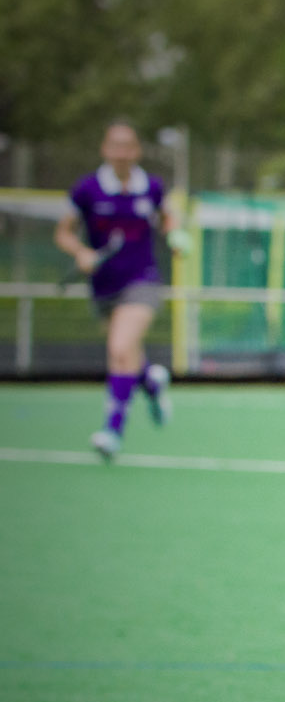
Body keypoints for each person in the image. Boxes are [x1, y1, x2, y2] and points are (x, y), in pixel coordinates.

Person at [54, 120, 179, 460]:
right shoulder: (87, 189)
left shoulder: (152, 187)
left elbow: (169, 218)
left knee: (120, 348)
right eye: (116, 146)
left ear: (137, 151)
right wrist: (81, 252)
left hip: (142, 281)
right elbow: (63, 232)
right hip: (104, 286)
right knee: (128, 355)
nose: (122, 153)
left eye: (128, 147)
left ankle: (113, 430)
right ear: (105, 150)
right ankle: (150, 383)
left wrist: (174, 234)